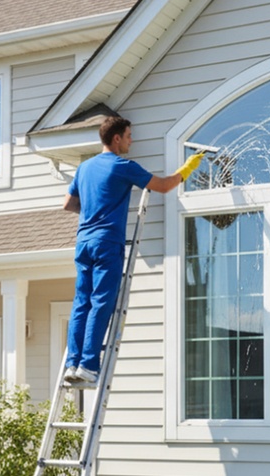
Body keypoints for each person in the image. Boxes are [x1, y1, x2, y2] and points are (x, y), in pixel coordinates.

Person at [62, 116, 203, 384]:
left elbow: (68, 204)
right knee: (101, 301)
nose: (131, 140)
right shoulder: (122, 166)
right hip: (107, 242)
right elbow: (162, 186)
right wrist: (188, 168)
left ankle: (72, 364)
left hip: (83, 242)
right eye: (128, 136)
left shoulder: (84, 168)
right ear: (116, 139)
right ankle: (88, 366)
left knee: (82, 302)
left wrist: (93, 210)